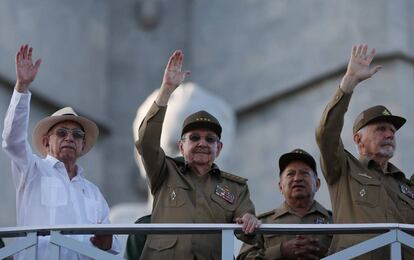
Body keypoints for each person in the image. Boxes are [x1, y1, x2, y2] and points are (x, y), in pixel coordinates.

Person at [136, 50, 261, 259]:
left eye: (210, 139)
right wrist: (166, 91)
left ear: (219, 148)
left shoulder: (235, 188)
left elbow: (248, 227)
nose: (202, 143)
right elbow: (146, 142)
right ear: (181, 146)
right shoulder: (164, 172)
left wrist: (249, 220)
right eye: (194, 138)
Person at [2, 44, 120, 259]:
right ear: (46, 142)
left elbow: (114, 244)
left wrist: (108, 241)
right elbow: (12, 140)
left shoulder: (93, 192)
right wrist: (22, 87)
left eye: (77, 135)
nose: (70, 138)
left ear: (82, 145)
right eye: (62, 132)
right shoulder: (32, 170)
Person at [315, 44, 414, 258]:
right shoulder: (343, 169)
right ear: (358, 139)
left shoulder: (406, 186)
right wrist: (348, 84)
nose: (389, 134)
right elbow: (326, 134)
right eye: (380, 129)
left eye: (392, 130)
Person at [237, 149, 332, 260]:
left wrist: (327, 253)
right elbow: (244, 258)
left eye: (305, 173)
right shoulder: (262, 223)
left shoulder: (335, 221)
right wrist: (281, 251)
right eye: (290, 174)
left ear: (317, 184)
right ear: (280, 186)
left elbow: (355, 254)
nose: (297, 178)